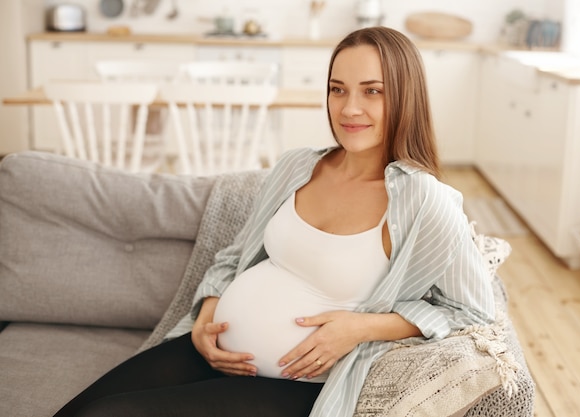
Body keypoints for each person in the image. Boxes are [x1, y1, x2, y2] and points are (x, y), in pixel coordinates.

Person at [53, 26, 495, 417]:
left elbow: (473, 311)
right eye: (337, 89)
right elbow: (233, 258)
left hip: (296, 388)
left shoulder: (424, 201)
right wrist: (208, 318)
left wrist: (363, 327)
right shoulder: (297, 166)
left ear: (405, 96)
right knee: (77, 410)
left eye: (372, 91)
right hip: (213, 352)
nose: (349, 108)